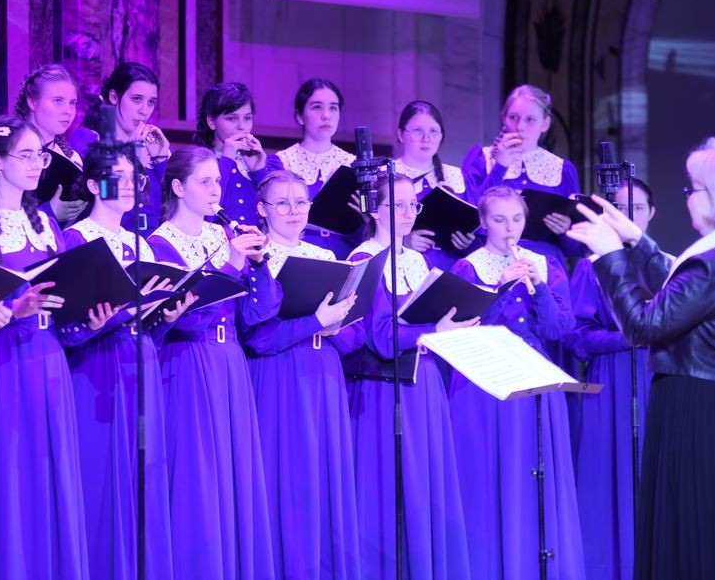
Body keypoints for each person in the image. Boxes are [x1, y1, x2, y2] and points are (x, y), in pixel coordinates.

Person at [566, 138, 715, 579]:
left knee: (696, 536)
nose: (688, 196)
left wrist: (610, 257)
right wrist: (637, 241)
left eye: (694, 188)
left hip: (701, 411)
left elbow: (643, 327)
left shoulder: (713, 263)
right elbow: (682, 291)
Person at [0, 115, 89, 579]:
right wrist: (13, 309)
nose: (37, 164)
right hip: (4, 362)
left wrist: (89, 311)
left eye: (41, 155)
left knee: (49, 475)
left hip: (49, 358)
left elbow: (64, 292)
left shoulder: (45, 223)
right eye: (26, 155)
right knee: (11, 478)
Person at [147, 145, 278, 579]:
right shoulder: (160, 244)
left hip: (230, 363)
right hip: (189, 363)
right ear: (178, 187)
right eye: (204, 182)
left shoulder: (223, 235)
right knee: (198, 479)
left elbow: (260, 312)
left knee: (235, 477)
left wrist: (257, 264)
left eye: (218, 181)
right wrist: (234, 261)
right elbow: (188, 320)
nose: (215, 190)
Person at [449, 185, 583, 580]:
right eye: (499, 219)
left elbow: (558, 328)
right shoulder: (468, 267)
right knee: (489, 476)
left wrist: (537, 288)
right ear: (482, 222)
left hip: (533, 377)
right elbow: (465, 328)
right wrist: (502, 287)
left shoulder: (545, 264)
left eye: (517, 219)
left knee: (532, 471)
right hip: (484, 381)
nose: (510, 228)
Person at [348, 172, 474, 579]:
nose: (407, 213)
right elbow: (381, 338)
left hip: (426, 381)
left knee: (427, 488)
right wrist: (435, 330)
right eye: (396, 205)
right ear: (374, 210)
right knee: (392, 489)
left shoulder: (419, 260)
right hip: (388, 390)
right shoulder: (364, 259)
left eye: (412, 205)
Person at [59, 142, 175, 580]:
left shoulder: (141, 243)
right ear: (93, 185)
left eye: (134, 178)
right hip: (95, 367)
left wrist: (164, 316)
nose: (129, 186)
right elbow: (68, 329)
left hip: (140, 364)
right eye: (117, 178)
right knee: (101, 477)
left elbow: (152, 329)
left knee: (143, 476)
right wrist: (110, 319)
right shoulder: (76, 239)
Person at [243, 169, 362, 579]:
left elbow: (354, 333)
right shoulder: (256, 258)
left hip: (324, 373)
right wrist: (315, 322)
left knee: (323, 479)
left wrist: (335, 327)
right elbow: (258, 338)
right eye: (282, 203)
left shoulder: (326, 257)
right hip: (278, 376)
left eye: (300, 202)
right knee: (286, 479)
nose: (294, 210)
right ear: (262, 209)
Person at [567, 178, 663, 580]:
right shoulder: (590, 267)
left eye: (636, 208)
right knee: (606, 478)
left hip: (658, 377)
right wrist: (628, 336)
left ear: (650, 213)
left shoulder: (664, 264)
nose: (628, 215)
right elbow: (577, 337)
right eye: (619, 208)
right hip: (612, 380)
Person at [461, 84, 581, 263]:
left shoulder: (562, 169)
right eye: (513, 117)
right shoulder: (481, 159)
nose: (520, 126)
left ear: (545, 123)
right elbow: (468, 219)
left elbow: (576, 248)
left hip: (545, 262)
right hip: (490, 260)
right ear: (503, 119)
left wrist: (565, 230)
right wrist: (500, 167)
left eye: (530, 119)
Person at [264, 78, 358, 259]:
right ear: (300, 116)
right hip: (295, 251)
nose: (326, 115)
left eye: (333, 108)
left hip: (343, 251)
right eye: (317, 107)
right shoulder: (281, 161)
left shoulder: (352, 163)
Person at [77, 61, 171, 234]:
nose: (144, 110)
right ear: (114, 97)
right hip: (110, 244)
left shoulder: (153, 148)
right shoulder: (89, 140)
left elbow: (172, 214)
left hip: (154, 246)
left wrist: (161, 161)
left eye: (151, 102)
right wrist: (135, 163)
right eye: (136, 99)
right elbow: (105, 205)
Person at [394, 99, 476, 268]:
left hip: (452, 268)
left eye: (433, 132)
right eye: (417, 131)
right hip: (407, 268)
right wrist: (402, 241)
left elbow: (479, 229)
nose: (426, 139)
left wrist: (468, 241)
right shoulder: (386, 176)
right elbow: (368, 230)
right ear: (401, 135)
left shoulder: (457, 177)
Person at [14, 63, 87, 225]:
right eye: (58, 101)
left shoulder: (72, 158)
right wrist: (50, 212)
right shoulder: (9, 149)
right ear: (33, 102)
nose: (68, 111)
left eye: (72, 103)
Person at [193, 81, 268, 227]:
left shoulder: (252, 159)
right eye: (232, 118)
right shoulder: (197, 163)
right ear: (212, 122)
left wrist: (259, 171)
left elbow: (274, 214)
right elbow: (207, 216)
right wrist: (227, 159)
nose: (242, 126)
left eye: (247, 118)